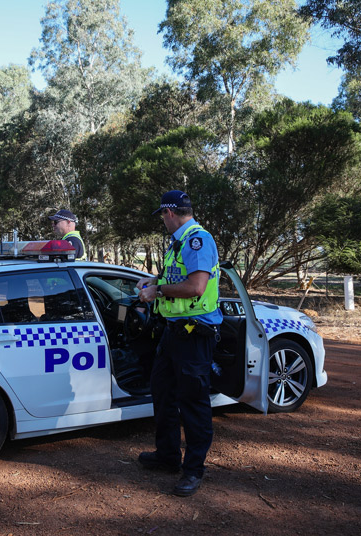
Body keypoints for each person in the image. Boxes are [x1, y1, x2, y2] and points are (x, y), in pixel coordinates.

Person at [136, 190, 222, 497]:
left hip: (194, 336)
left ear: (169, 212)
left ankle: (193, 470)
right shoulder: (179, 244)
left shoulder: (198, 240)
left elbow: (196, 287)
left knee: (193, 404)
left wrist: (158, 291)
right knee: (163, 395)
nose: (162, 221)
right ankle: (168, 456)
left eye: (161, 215)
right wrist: (153, 281)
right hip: (173, 333)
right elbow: (176, 277)